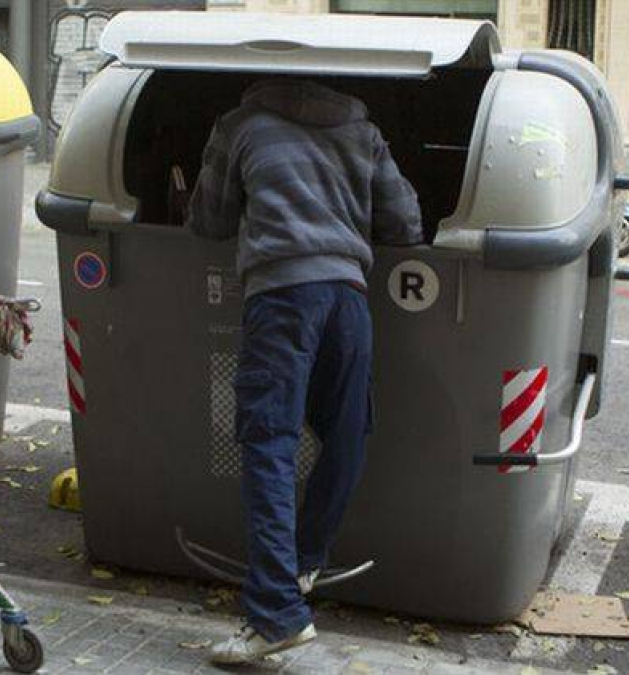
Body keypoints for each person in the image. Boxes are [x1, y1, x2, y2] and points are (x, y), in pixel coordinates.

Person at [186, 79, 423, 664]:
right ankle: (303, 566)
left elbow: (208, 221)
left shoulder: (239, 127)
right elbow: (406, 223)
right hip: (347, 296)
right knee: (347, 432)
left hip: (281, 296)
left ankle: (275, 614)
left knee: (269, 442)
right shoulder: (363, 132)